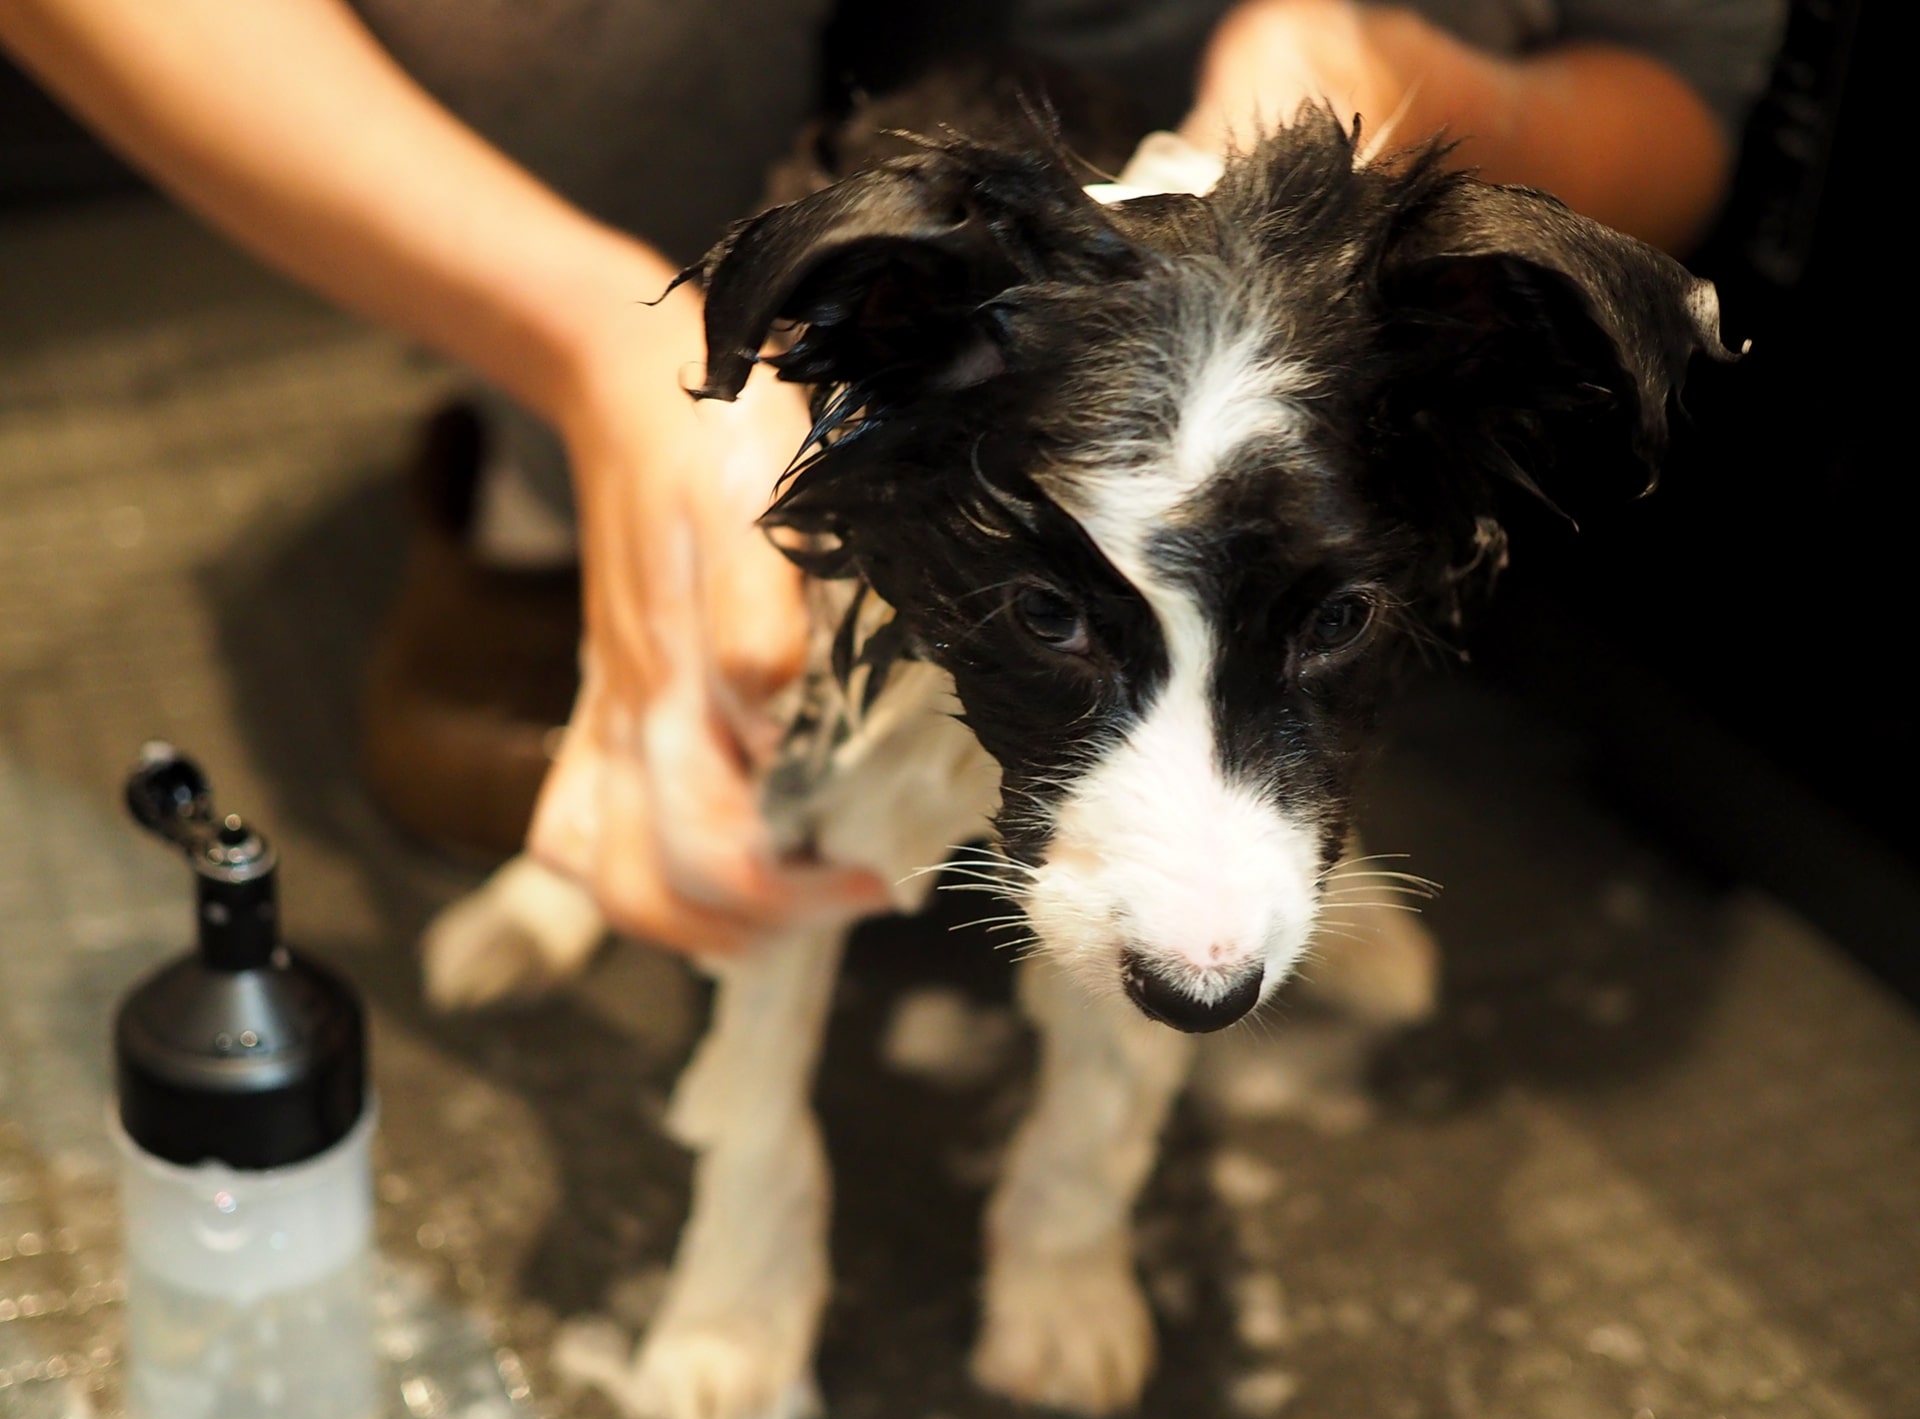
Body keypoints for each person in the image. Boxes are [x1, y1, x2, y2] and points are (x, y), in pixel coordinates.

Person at [0, 0, 1781, 955]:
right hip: (818, 180)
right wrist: (581, 339)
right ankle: (557, 480)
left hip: (1258, 171)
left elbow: (1685, 91)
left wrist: (1401, 75)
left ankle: (1222, 597)